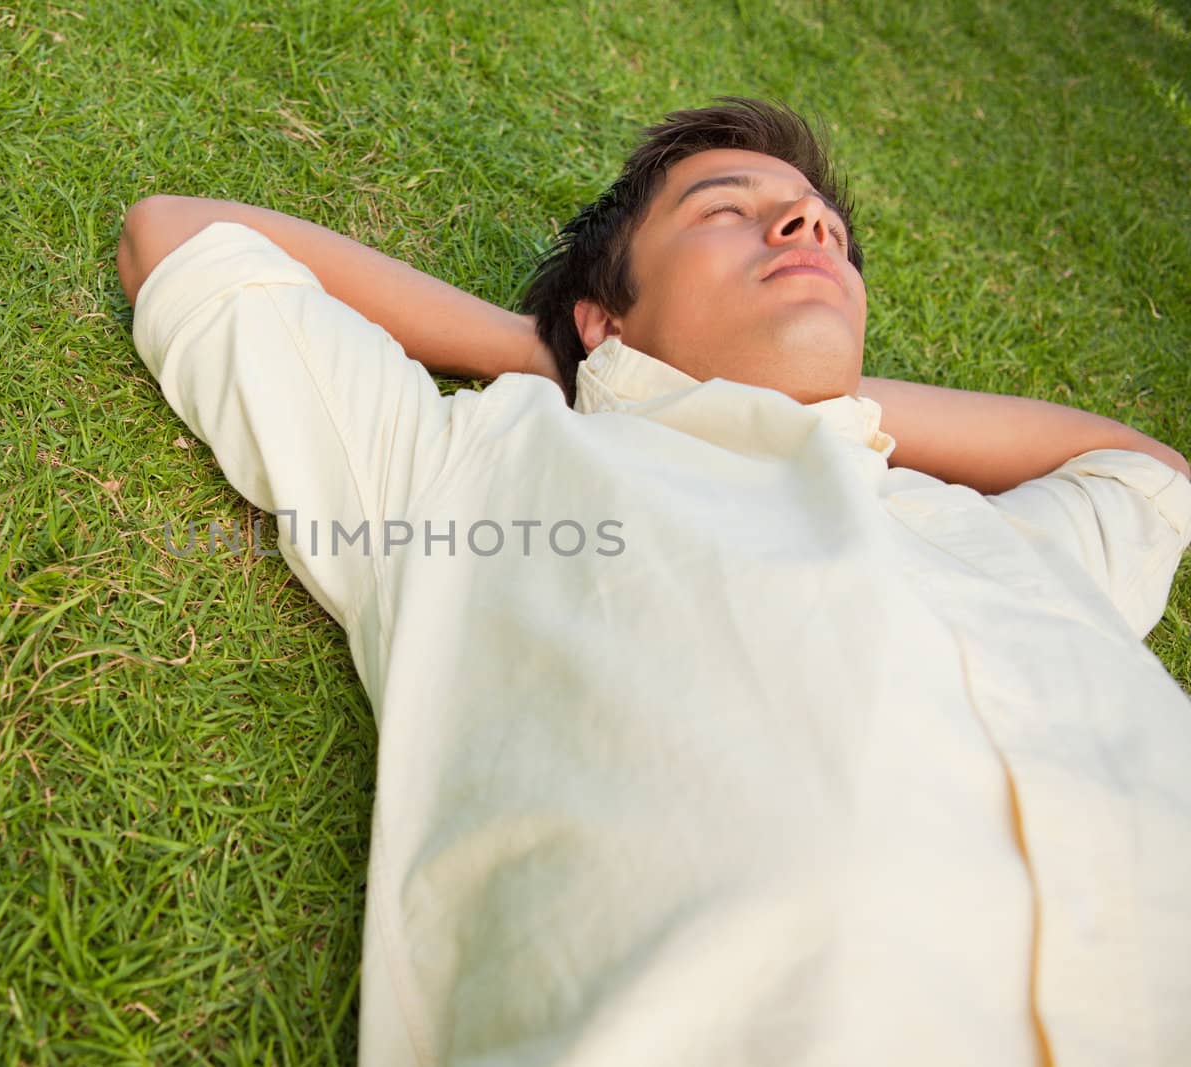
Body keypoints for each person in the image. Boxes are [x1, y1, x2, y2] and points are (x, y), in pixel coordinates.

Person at [117, 99, 1191, 1067]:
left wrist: (819, 401)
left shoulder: (997, 540)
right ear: (607, 314)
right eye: (728, 209)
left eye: (823, 225)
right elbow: (181, 238)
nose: (807, 226)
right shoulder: (485, 469)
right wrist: (553, 356)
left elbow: (1146, 474)